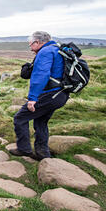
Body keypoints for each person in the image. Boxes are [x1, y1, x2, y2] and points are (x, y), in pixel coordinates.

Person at [10, 31, 69, 160]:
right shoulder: (57, 49)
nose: (30, 48)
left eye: (30, 44)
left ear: (38, 42)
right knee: (41, 122)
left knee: (20, 118)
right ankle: (43, 154)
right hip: (60, 94)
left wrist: (32, 99)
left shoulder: (45, 52)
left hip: (50, 94)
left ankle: (24, 149)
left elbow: (41, 75)